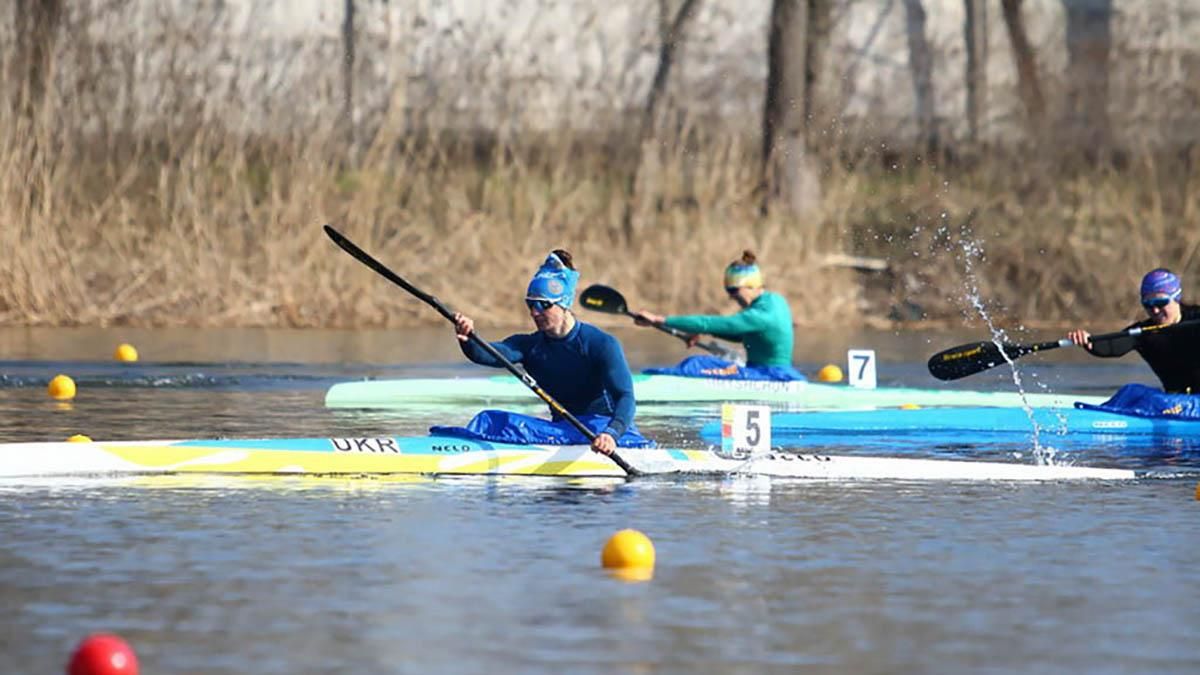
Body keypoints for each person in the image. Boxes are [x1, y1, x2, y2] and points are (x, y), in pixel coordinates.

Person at [449, 250, 641, 455]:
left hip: (602, 432)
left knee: (492, 422)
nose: (535, 312)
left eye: (543, 305)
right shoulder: (529, 345)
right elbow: (486, 354)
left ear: (564, 304)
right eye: (530, 304)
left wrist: (611, 434)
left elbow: (626, 397)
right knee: (489, 419)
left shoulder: (601, 344)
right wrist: (468, 337)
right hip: (562, 430)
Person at [632, 250, 802, 380]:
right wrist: (707, 332)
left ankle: (642, 382)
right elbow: (746, 336)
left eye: (734, 290)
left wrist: (660, 319)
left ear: (752, 285)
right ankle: (650, 376)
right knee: (697, 364)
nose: (731, 296)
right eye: (729, 291)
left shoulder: (760, 315)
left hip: (770, 376)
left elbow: (709, 322)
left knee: (696, 364)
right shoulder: (776, 301)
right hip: (773, 374)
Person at [1066, 268, 1200, 393]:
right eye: (1148, 305)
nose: (1155, 310)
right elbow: (1112, 346)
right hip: (1177, 401)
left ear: (1176, 297)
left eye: (1161, 303)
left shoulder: (1196, 318)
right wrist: (1089, 342)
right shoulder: (1143, 333)